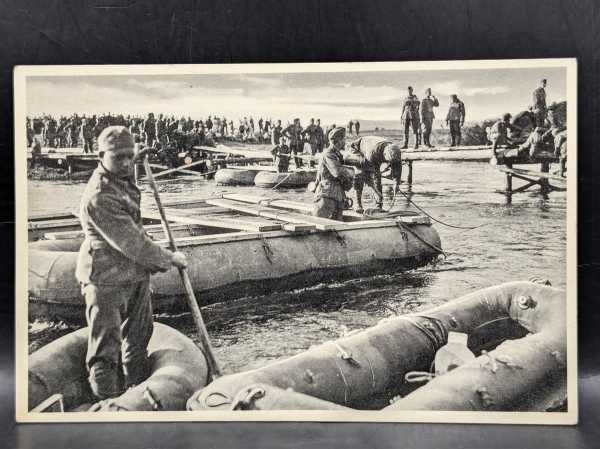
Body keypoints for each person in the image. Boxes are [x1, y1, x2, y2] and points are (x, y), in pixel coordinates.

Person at [75, 126, 188, 400]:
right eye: (118, 157)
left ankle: (136, 392)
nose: (126, 163)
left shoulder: (121, 177)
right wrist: (169, 258)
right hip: (106, 279)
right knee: (106, 351)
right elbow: (133, 243)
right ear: (101, 155)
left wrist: (139, 158)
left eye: (130, 156)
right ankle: (109, 408)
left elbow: (135, 229)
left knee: (139, 338)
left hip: (134, 275)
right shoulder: (99, 196)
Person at [346, 136, 403, 213]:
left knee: (377, 179)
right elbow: (374, 178)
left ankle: (378, 205)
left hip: (372, 146)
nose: (390, 163)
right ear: (384, 155)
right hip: (357, 148)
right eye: (389, 161)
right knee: (360, 174)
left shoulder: (395, 151)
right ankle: (358, 204)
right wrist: (377, 192)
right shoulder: (372, 154)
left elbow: (397, 168)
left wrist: (396, 183)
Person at [313, 127, 352, 220]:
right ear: (338, 140)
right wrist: (351, 172)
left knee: (336, 226)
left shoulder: (337, 154)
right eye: (344, 139)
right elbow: (337, 172)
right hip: (327, 195)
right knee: (322, 224)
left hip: (337, 196)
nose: (345, 142)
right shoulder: (328, 154)